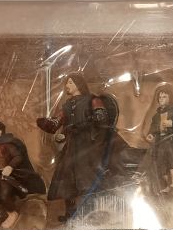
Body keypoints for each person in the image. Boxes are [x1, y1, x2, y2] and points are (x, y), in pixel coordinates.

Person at [36, 72, 142, 222]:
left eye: (70, 82)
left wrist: (90, 120)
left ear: (78, 84)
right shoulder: (67, 105)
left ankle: (90, 211)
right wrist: (47, 124)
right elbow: (57, 122)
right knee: (68, 179)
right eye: (66, 83)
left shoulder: (92, 100)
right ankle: (71, 213)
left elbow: (101, 117)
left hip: (89, 144)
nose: (67, 85)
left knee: (87, 177)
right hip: (72, 146)